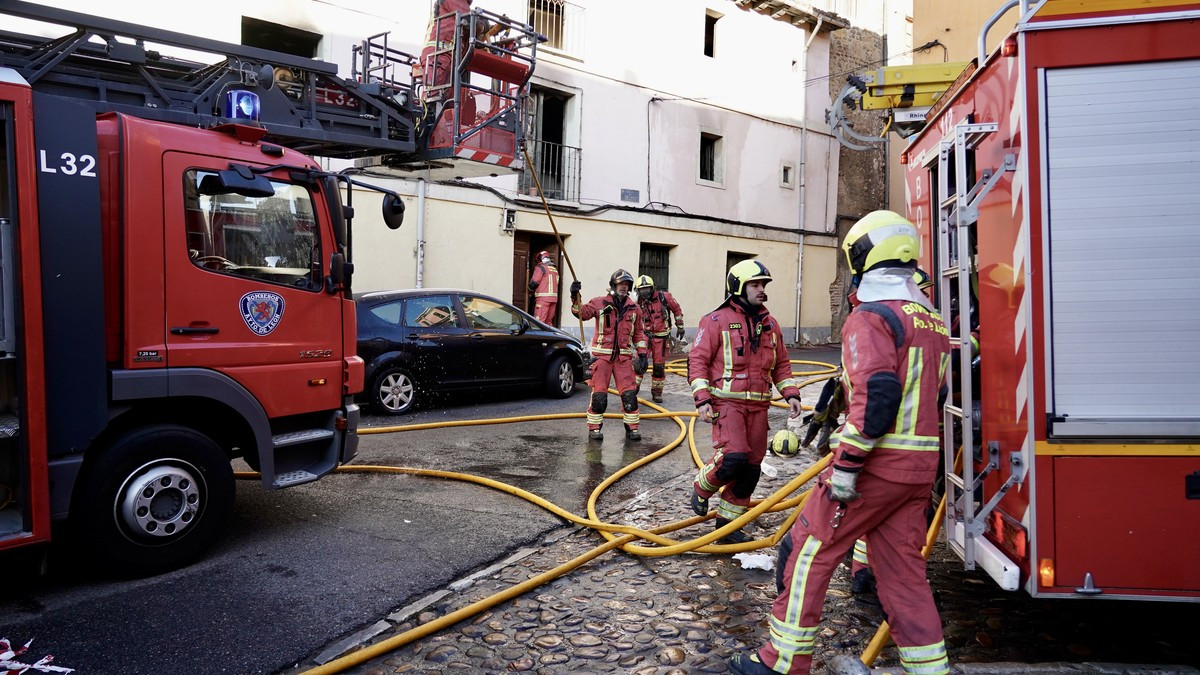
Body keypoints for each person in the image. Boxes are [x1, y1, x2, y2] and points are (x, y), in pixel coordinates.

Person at [728, 211, 952, 675]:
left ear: (861, 258)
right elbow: (936, 394)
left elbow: (879, 395)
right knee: (904, 574)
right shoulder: (931, 322)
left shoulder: (871, 316)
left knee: (808, 550)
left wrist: (847, 465)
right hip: (918, 468)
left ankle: (782, 662)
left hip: (874, 465)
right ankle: (929, 669)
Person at [688, 260, 804, 544]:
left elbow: (782, 365)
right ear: (738, 287)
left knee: (751, 467)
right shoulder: (715, 321)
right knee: (734, 457)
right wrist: (702, 399)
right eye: (756, 284)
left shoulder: (770, 324)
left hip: (759, 407)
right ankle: (702, 487)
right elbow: (698, 360)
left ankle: (727, 526)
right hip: (727, 404)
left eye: (763, 284)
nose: (762, 290)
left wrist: (791, 393)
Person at [570, 269, 648, 441]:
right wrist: (574, 295)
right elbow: (580, 313)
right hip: (602, 359)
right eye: (621, 283)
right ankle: (594, 429)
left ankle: (632, 428)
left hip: (623, 359)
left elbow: (639, 334)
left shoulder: (634, 309)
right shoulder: (599, 303)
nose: (624, 287)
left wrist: (642, 354)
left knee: (629, 395)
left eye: (626, 284)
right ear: (613, 285)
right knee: (599, 396)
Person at [633, 274, 685, 403]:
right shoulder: (637, 302)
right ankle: (632, 390)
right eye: (641, 290)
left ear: (652, 288)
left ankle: (657, 393)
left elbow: (676, 309)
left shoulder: (664, 297)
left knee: (658, 367)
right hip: (645, 336)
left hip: (661, 339)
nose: (644, 292)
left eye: (647, 289)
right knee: (638, 365)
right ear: (637, 290)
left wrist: (680, 326)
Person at [527, 250, 560, 325]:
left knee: (539, 323)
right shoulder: (554, 269)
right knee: (548, 322)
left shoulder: (541, 267)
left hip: (543, 300)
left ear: (540, 259)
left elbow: (534, 283)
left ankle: (538, 337)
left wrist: (529, 291)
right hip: (554, 299)